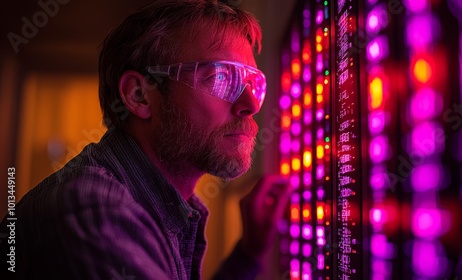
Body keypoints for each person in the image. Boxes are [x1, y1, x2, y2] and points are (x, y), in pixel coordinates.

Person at [0, 0, 291, 279]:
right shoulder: (97, 211)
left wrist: (249, 253)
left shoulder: (150, 203)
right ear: (139, 95)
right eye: (220, 77)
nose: (251, 104)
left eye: (253, 84)